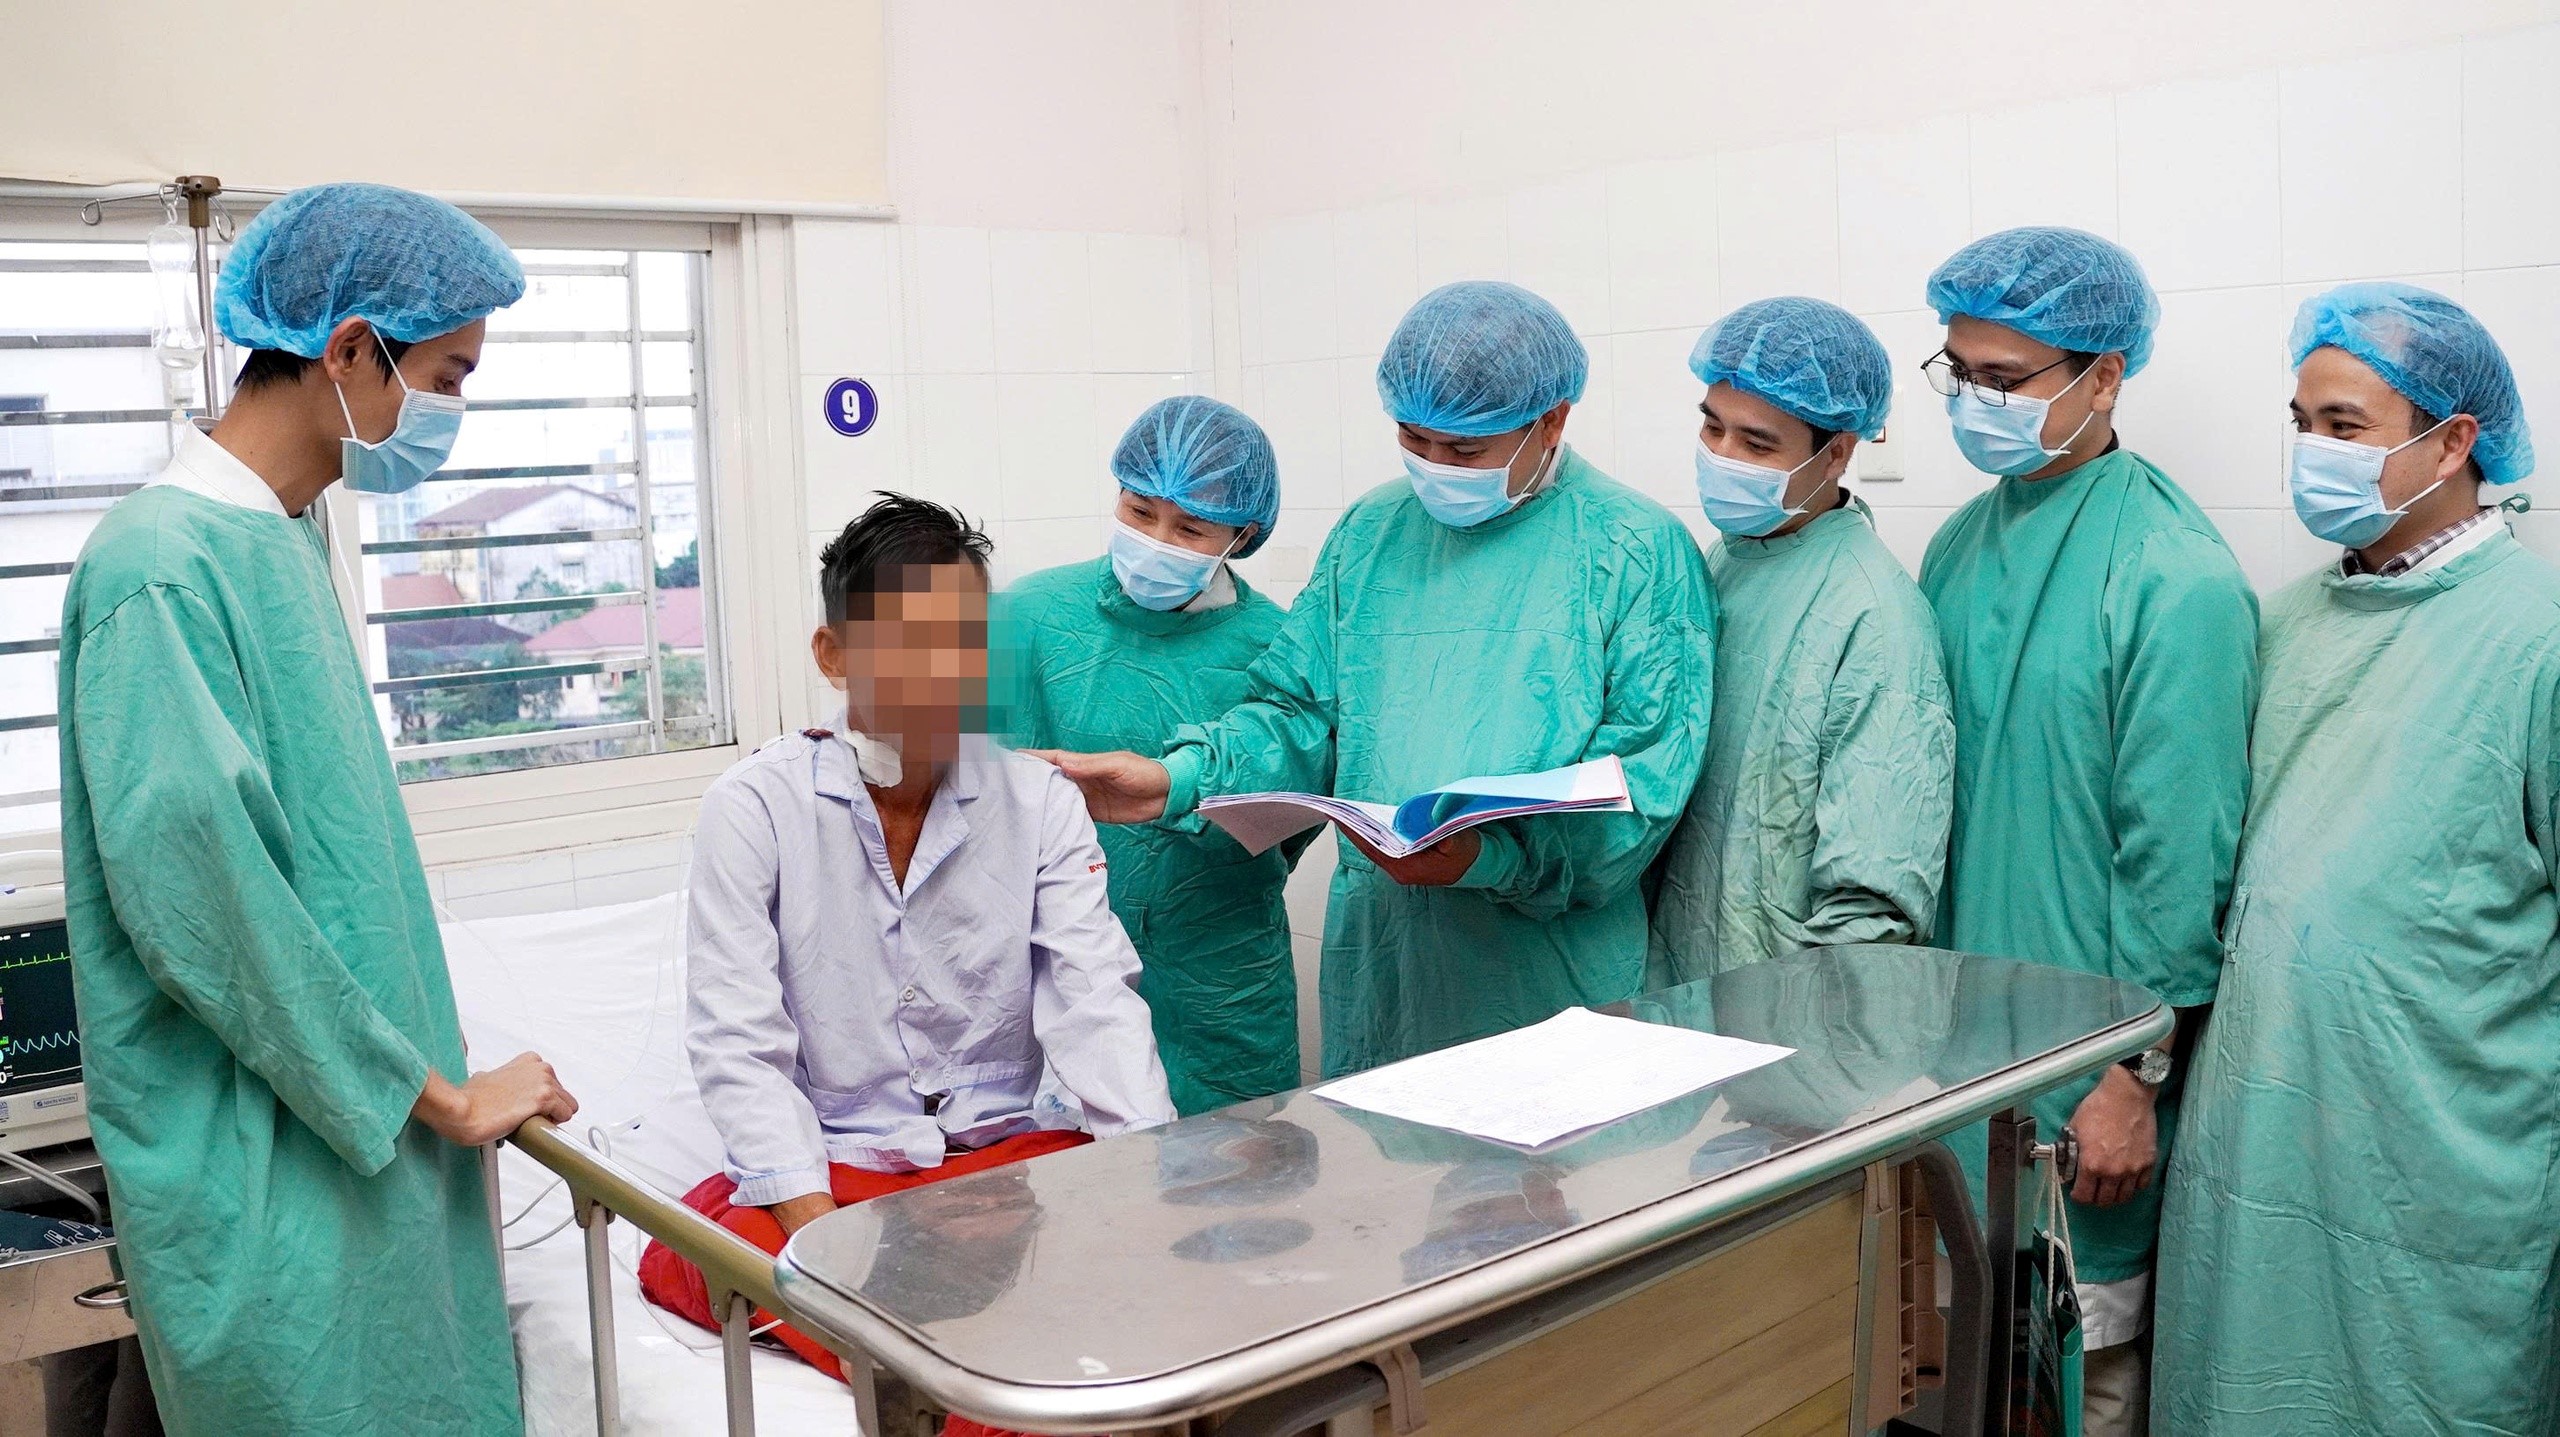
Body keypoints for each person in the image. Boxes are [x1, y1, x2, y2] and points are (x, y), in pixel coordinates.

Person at [54, 183, 579, 1436]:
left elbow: (336, 873)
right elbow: (210, 908)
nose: (449, 413)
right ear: (348, 349)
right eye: (445, 378)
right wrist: (440, 1097)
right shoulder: (158, 570)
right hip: (270, 1169)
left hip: (371, 1142)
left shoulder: (282, 539)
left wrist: (427, 1092)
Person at [1034, 281, 1717, 1077]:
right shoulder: (1371, 534)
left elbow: (1641, 786)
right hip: (1383, 966)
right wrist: (1176, 778)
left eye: (1464, 451)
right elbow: (1297, 713)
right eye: (1414, 439)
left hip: (1545, 981)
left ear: (1552, 421)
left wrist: (1489, 858)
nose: (1435, 467)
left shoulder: (1637, 552)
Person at [640, 495, 1176, 1424]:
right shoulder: (755, 808)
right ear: (834, 653)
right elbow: (738, 1044)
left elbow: (1097, 1001)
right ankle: (937, 1370)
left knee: (1147, 1286)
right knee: (694, 1250)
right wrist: (831, 1250)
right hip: (839, 1170)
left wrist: (1147, 1185)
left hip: (1005, 1160)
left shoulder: (1038, 801)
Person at [2155, 285, 2559, 1435]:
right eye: (2301, 423)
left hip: (2443, 1155)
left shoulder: (2536, 635)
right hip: (2260, 1124)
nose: (2312, 452)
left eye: (2343, 426)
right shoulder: (2282, 623)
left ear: (2454, 440)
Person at [1915, 227, 2257, 1436]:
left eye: (2005, 379)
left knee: (2078, 1382)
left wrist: (2131, 1077)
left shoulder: (2173, 573)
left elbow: (2177, 854)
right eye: (1959, 373)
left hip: (2090, 1081)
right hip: (1960, 1055)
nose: (1976, 402)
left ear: (2104, 376)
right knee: (1957, 1375)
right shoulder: (1957, 547)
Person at [1005, 396, 1307, 1113]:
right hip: (1056, 975)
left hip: (1220, 985)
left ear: (1243, 534)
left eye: (1191, 528)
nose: (1156, 540)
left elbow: (1290, 816)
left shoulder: (1278, 645)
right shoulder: (1029, 615)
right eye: (1140, 511)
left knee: (1235, 1167)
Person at [1647, 297, 1953, 983]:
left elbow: (1874, 899)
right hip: (1680, 982)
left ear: (1837, 451)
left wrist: (1810, 1026)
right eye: (1712, 427)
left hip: (1783, 1002)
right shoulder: (1726, 560)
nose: (1723, 457)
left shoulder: (1875, 617)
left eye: (1757, 445)